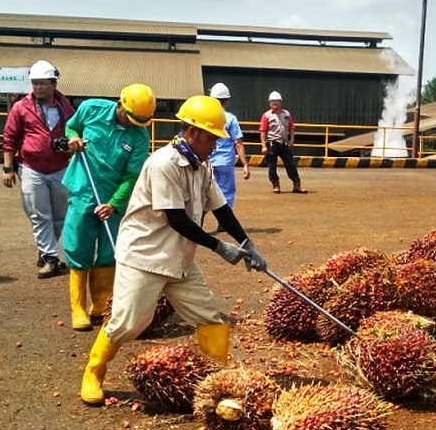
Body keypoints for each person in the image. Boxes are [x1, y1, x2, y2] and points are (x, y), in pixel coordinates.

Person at [80, 95, 268, 406]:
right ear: (192, 132)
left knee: (211, 318)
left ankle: (214, 382)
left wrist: (247, 242)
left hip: (179, 258)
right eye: (211, 138)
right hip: (146, 256)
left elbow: (220, 208)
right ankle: (94, 372)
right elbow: (176, 218)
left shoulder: (201, 165)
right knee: (128, 324)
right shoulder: (163, 163)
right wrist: (221, 247)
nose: (215, 146)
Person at [61, 83, 156, 331]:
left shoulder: (139, 135)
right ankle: (78, 308)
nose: (133, 125)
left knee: (109, 250)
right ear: (119, 104)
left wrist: (114, 204)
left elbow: (131, 176)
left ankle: (100, 306)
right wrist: (73, 139)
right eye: (131, 119)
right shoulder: (91, 108)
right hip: (84, 187)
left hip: (114, 197)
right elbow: (72, 126)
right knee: (78, 245)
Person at [1, 59, 75, 278]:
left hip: (60, 167)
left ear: (54, 83)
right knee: (40, 214)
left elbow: (74, 131)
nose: (37, 88)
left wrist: (69, 146)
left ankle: (45, 252)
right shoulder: (21, 108)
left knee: (60, 215)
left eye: (42, 83)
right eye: (34, 83)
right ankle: (51, 258)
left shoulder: (65, 107)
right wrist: (8, 168)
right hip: (32, 168)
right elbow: (9, 138)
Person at [208, 82, 250, 216]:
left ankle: (199, 220)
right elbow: (238, 142)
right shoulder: (231, 119)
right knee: (226, 192)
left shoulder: (207, 117)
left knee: (204, 191)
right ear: (227, 102)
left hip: (208, 161)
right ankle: (224, 221)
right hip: (225, 161)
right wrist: (245, 164)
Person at [259, 90, 306, 194]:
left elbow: (291, 128)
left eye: (277, 102)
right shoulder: (266, 116)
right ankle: (275, 185)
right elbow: (263, 132)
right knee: (272, 165)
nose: (275, 104)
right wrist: (263, 146)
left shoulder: (286, 114)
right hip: (272, 143)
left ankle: (296, 185)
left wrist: (292, 140)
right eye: (272, 102)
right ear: (269, 103)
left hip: (284, 143)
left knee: (291, 164)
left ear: (281, 103)